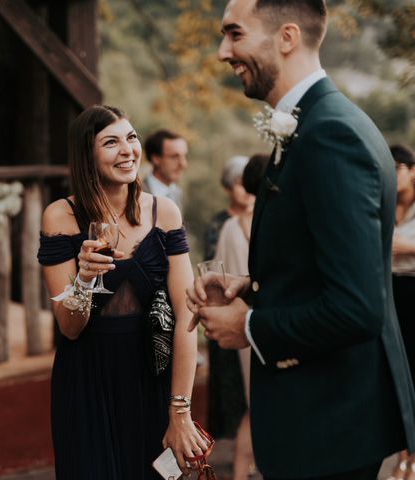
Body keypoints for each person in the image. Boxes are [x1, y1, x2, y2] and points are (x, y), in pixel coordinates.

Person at [186, 1, 415, 479]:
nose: (223, 51)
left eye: (235, 34)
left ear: (286, 37)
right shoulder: (314, 124)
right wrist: (252, 286)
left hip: (328, 428)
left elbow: (357, 306)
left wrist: (249, 327)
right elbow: (327, 267)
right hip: (320, 422)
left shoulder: (331, 135)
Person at [38, 105, 203, 479]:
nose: (127, 149)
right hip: (86, 381)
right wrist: (82, 281)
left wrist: (180, 412)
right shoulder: (60, 217)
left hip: (152, 377)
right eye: (111, 142)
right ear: (87, 155)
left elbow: (187, 317)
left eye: (131, 137)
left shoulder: (165, 213)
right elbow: (69, 328)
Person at [212, 153, 267, 480]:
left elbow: (216, 278)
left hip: (243, 321)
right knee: (257, 404)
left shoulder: (234, 225)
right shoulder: (248, 223)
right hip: (250, 324)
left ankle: (240, 471)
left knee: (255, 404)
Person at [389, 143, 415, 480]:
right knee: (398, 375)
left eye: (397, 167)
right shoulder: (382, 204)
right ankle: (402, 455)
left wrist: (405, 246)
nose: (392, 173)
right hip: (389, 291)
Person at [203, 155, 250, 262]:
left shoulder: (264, 219)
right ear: (227, 188)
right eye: (241, 184)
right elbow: (210, 264)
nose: (247, 189)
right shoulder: (217, 224)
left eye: (250, 183)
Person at [142, 129, 188, 209]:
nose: (183, 164)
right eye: (174, 157)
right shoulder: (136, 194)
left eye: (184, 156)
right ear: (155, 158)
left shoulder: (178, 194)